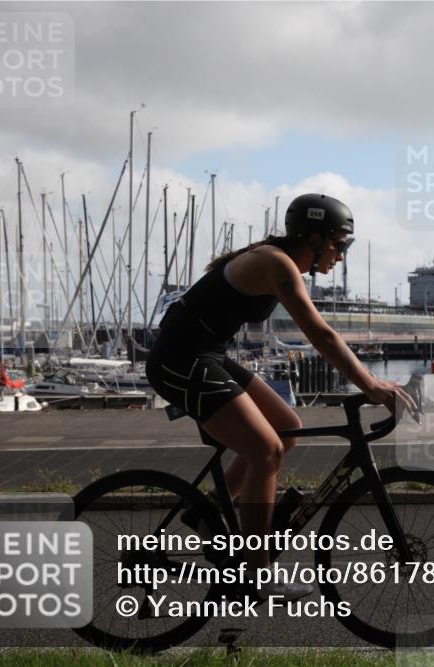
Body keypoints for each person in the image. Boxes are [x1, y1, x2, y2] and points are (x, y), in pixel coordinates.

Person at [145, 193, 417, 599]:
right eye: (340, 244)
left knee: (288, 428)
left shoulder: (281, 262)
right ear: (314, 237)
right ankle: (257, 575)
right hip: (178, 360)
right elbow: (320, 332)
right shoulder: (276, 263)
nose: (342, 255)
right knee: (266, 451)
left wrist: (372, 383)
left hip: (204, 355)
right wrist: (372, 386)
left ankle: (208, 512)